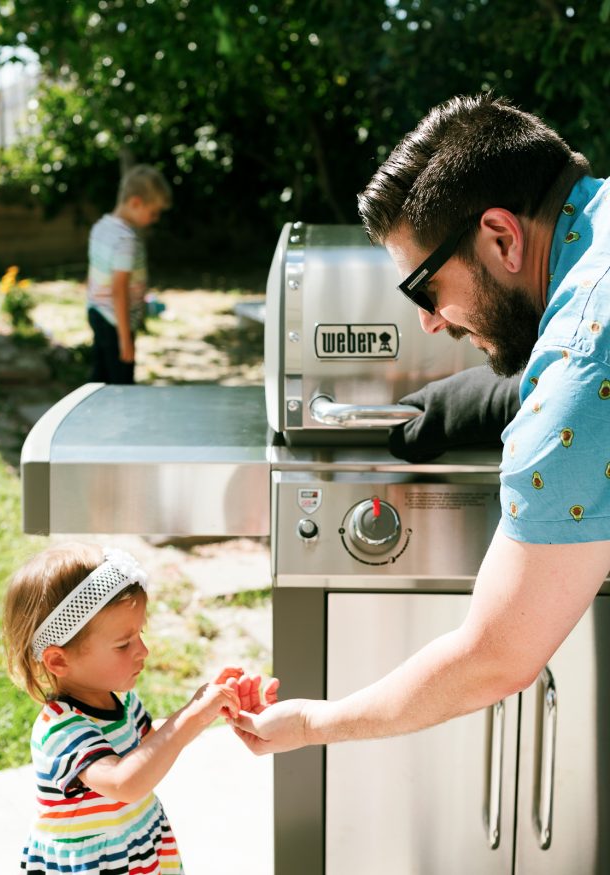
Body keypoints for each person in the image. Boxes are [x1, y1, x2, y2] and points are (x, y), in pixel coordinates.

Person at [231, 93, 610, 753]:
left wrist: (312, 723)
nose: (429, 322)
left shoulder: (580, 367)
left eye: (423, 290)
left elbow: (493, 659)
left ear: (500, 237)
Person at [3, 542, 243, 874]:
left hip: (134, 847)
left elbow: (148, 742)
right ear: (58, 659)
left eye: (139, 634)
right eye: (123, 644)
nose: (143, 650)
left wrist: (200, 710)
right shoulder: (61, 729)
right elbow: (123, 782)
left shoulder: (121, 699)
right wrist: (191, 717)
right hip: (95, 864)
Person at [87, 164, 172, 384]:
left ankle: (93, 415)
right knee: (122, 385)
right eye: (153, 213)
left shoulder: (101, 227)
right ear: (135, 203)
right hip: (117, 321)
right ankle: (117, 419)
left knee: (100, 379)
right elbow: (119, 290)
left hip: (97, 312)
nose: (155, 219)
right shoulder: (126, 240)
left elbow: (94, 276)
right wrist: (125, 339)